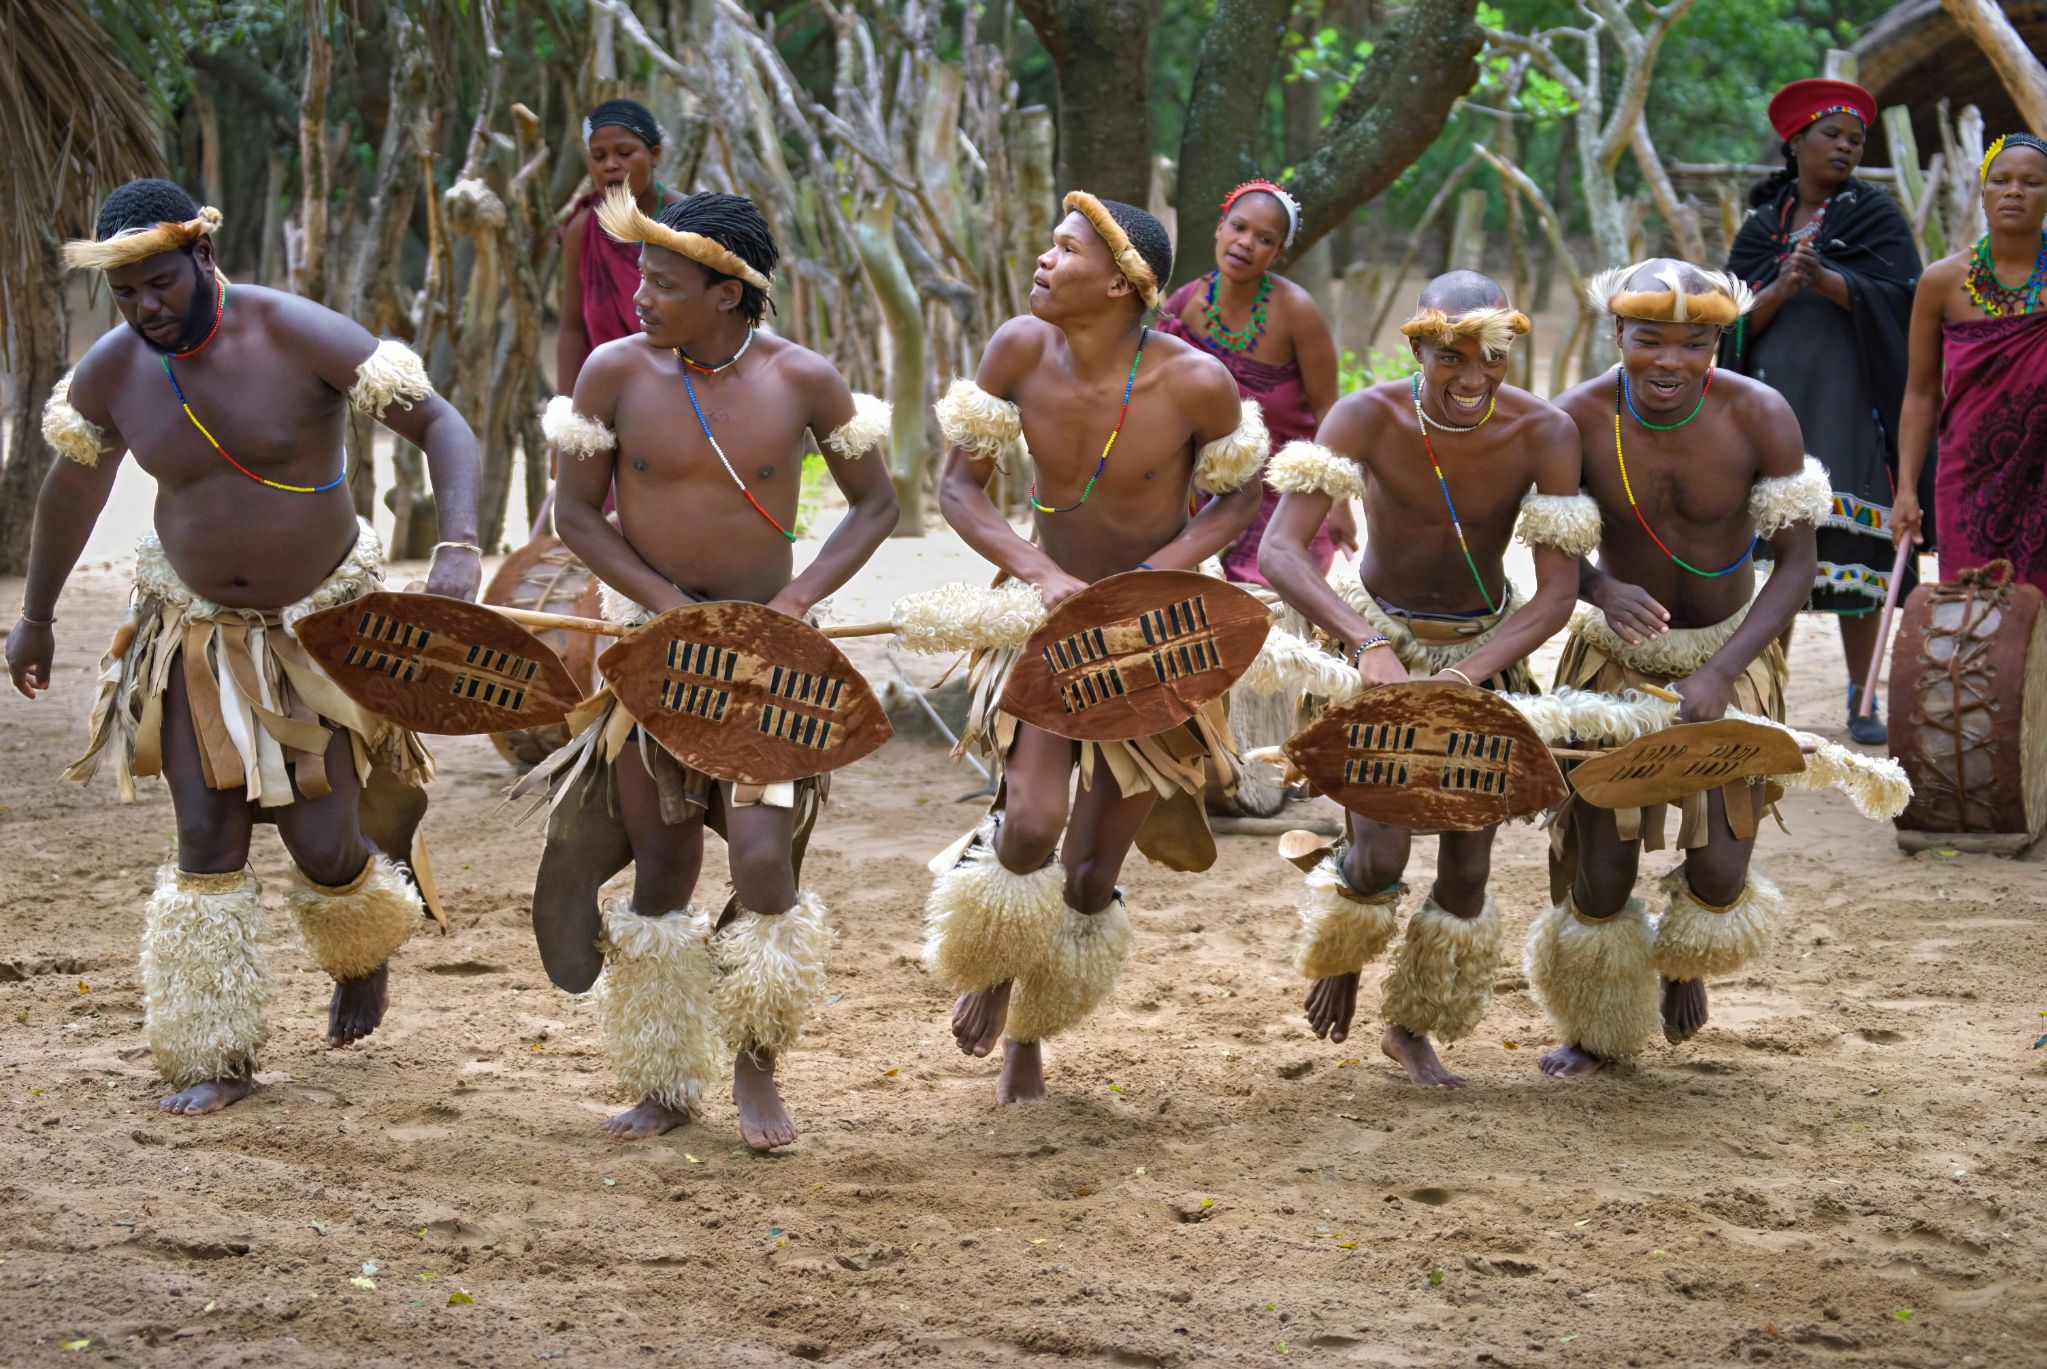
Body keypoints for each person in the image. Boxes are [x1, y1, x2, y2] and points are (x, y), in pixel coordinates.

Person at [5, 179, 483, 1115]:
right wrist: (37, 612)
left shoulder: (295, 332)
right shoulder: (110, 372)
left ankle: (362, 944)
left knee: (323, 843)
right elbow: (73, 493)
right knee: (205, 836)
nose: (145, 308)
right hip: (191, 635)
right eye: (126, 293)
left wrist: (459, 545)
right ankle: (213, 1054)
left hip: (318, 631)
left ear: (203, 259)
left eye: (159, 284)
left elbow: (442, 424)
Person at [525, 188, 898, 1148]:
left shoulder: (805, 380)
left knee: (766, 865)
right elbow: (572, 515)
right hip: (651, 656)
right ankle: (660, 1077)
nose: (640, 295)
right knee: (662, 863)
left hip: (765, 665)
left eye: (664, 282)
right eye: (642, 277)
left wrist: (796, 602)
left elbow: (874, 506)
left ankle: (756, 1069)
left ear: (728, 292)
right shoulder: (614, 372)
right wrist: (660, 605)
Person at [922, 191, 1269, 1102]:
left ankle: (1025, 1044)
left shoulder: (1195, 381)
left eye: (1064, 249)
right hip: (1047, 628)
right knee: (1032, 826)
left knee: (1085, 878)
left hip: (1154, 638)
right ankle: (993, 966)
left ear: (1121, 281)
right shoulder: (1015, 349)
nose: (1042, 259)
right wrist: (1038, 573)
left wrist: (1156, 572)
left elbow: (1239, 496)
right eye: (1048, 244)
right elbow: (958, 489)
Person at [1256, 272, 1590, 1088]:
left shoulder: (1542, 431)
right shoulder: (1364, 416)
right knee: (1378, 856)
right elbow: (1280, 550)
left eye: (1492, 357)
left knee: (1467, 868)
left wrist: (1471, 675)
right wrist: (1366, 644)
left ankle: (1408, 1029)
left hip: (1482, 648)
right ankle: (1342, 944)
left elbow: (1556, 591)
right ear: (1416, 346)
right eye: (1451, 356)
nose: (1473, 376)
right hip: (1382, 638)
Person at [1530, 259, 1830, 1078]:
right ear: (1615, 336)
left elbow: (1798, 564)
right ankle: (1596, 1026)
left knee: (1717, 872)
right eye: (1647, 339)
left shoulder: (1759, 414)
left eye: (1693, 343)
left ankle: (1684, 958)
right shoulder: (1573, 419)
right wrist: (1601, 585)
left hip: (1726, 651)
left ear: (1716, 343)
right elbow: (1548, 551)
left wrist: (1725, 671)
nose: (1668, 360)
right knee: (1598, 871)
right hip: (1613, 658)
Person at [1720, 78, 1922, 745]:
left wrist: (1831, 281)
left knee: (1852, 550)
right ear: (1794, 141)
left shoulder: (1874, 217)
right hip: (1773, 411)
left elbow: (1902, 302)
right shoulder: (1761, 226)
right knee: (1771, 553)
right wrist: (1780, 287)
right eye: (1831, 135)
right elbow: (1728, 319)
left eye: (1855, 139)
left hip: (1847, 409)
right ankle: (1764, 697)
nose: (1844, 146)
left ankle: (1860, 698)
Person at [1156, 179, 1353, 582]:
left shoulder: (1297, 312)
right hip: (1199, 492)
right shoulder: (1185, 304)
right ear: (1220, 227)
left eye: (1264, 239)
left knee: (1275, 613)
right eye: (1239, 227)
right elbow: (1155, 397)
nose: (1246, 243)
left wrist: (1338, 501)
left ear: (1278, 253)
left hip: (1282, 493)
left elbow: (1327, 411)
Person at [1893, 132, 2047, 595]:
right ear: (1983, 196)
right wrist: (1905, 489)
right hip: (1969, 480)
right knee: (1969, 619)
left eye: (2032, 182)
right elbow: (1921, 393)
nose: (2014, 191)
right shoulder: (1942, 282)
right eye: (2001, 180)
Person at [557, 100, 687, 398]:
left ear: (654, 155)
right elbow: (572, 329)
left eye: (625, 153)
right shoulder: (583, 230)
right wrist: (566, 414)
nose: (610, 165)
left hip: (685, 395)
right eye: (599, 156)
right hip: (608, 398)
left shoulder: (689, 221)